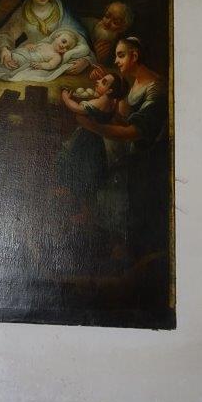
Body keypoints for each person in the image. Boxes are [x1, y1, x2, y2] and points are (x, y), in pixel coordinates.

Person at [79, 37, 168, 261]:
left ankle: (122, 253)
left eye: (121, 55)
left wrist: (93, 126)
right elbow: (122, 118)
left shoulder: (156, 89)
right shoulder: (135, 82)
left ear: (134, 56)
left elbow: (134, 132)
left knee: (127, 219)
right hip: (123, 158)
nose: (116, 61)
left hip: (143, 163)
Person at [56, 72, 129, 221]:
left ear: (109, 91)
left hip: (86, 141)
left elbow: (77, 108)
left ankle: (84, 210)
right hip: (96, 142)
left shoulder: (100, 102)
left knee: (81, 170)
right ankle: (82, 206)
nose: (98, 81)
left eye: (103, 82)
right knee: (88, 174)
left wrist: (66, 98)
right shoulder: (112, 102)